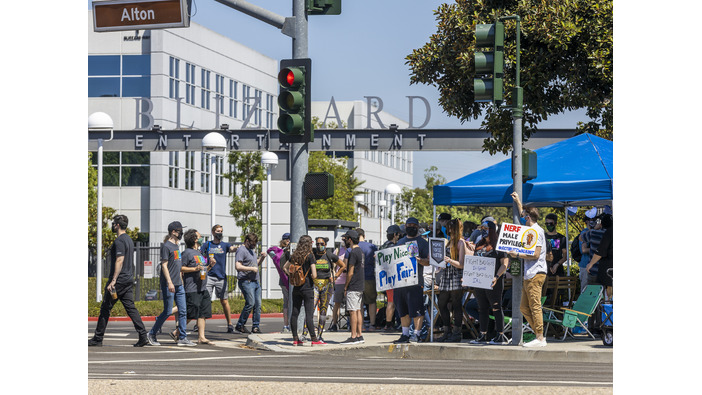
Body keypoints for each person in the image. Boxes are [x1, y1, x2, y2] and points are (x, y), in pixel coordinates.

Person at [89, 215, 149, 347]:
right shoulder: (129, 239)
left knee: (105, 308)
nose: (112, 226)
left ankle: (98, 338)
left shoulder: (119, 241)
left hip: (119, 280)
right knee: (131, 308)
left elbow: (120, 260)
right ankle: (143, 335)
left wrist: (114, 280)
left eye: (113, 223)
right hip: (127, 279)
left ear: (117, 225)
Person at [507, 192, 548, 348]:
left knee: (534, 305)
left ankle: (540, 338)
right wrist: (519, 202)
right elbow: (524, 211)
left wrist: (517, 254)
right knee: (524, 307)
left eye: (524, 216)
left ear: (528, 218)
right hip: (530, 274)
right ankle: (539, 334)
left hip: (535, 274)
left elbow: (536, 254)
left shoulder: (536, 232)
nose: (522, 217)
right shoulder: (532, 229)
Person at [147, 221, 195, 346]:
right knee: (168, 311)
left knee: (183, 311)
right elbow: (164, 265)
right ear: (173, 232)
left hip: (179, 284)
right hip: (170, 284)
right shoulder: (166, 246)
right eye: (179, 231)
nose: (181, 233)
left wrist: (181, 281)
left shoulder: (177, 246)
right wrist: (169, 282)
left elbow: (177, 266)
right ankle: (152, 333)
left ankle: (182, 338)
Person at [469, 220, 510, 345]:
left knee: (496, 307)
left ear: (492, 230)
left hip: (494, 281)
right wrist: (469, 276)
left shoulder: (499, 245)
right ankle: (483, 334)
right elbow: (474, 263)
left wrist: (496, 276)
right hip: (480, 281)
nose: (483, 230)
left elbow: (505, 264)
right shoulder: (479, 245)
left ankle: (500, 335)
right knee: (482, 308)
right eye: (482, 228)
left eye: (485, 228)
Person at [393, 217, 430, 344]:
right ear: (405, 226)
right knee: (403, 310)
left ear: (418, 227)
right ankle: (405, 334)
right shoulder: (400, 242)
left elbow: (428, 262)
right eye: (409, 225)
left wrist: (419, 260)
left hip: (415, 282)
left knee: (417, 309)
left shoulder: (422, 243)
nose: (411, 227)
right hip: (400, 281)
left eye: (414, 225)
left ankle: (417, 334)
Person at [283, 235, 325, 345]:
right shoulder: (310, 256)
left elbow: (284, 267)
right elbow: (315, 275)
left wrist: (291, 276)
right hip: (307, 288)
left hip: (296, 287)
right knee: (309, 314)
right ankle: (314, 339)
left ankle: (295, 339)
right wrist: (311, 277)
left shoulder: (294, 255)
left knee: (294, 313)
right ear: (309, 244)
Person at [201, 224, 239, 333]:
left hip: (221, 277)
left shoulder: (224, 245)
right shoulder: (207, 245)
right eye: (218, 231)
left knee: (224, 301)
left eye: (221, 231)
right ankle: (199, 323)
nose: (220, 233)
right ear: (213, 233)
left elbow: (232, 248)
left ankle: (230, 324)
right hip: (209, 276)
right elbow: (202, 257)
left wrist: (237, 248)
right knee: (206, 300)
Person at [180, 229, 214, 345]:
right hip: (192, 288)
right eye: (199, 236)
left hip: (202, 288)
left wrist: (210, 266)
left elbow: (203, 269)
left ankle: (201, 337)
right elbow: (181, 268)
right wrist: (194, 269)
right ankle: (177, 332)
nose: (201, 239)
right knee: (192, 312)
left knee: (203, 312)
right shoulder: (187, 253)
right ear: (195, 239)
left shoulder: (199, 253)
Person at [435, 219, 466, 342]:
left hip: (456, 274)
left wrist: (449, 260)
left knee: (456, 304)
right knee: (442, 303)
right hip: (446, 274)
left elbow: (462, 264)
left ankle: (457, 332)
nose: (448, 231)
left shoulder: (460, 243)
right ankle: (447, 330)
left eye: (451, 228)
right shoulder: (449, 242)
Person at [312, 236, 345, 341]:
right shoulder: (313, 255)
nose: (319, 246)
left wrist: (335, 276)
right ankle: (305, 333)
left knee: (323, 310)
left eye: (321, 244)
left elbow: (343, 265)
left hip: (327, 285)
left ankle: (320, 335)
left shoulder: (330, 255)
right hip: (315, 285)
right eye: (317, 244)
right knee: (310, 309)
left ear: (325, 245)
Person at [234, 233, 267, 334]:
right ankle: (240, 325)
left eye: (255, 244)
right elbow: (238, 266)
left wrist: (262, 258)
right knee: (250, 303)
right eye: (252, 243)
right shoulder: (241, 250)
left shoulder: (251, 251)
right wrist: (251, 269)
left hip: (255, 281)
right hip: (246, 281)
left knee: (258, 305)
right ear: (247, 241)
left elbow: (254, 263)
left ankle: (255, 327)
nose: (254, 246)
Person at [348, 228, 378, 331]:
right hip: (370, 277)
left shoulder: (352, 248)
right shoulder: (372, 247)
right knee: (372, 301)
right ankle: (372, 324)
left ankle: (360, 326)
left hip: (356, 279)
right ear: (364, 236)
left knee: (358, 303)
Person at [342, 230, 365, 344]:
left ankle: (353, 336)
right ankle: (359, 335)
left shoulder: (353, 252)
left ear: (350, 239)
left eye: (346, 238)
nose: (345, 240)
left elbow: (350, 271)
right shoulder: (360, 251)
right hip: (360, 285)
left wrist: (346, 286)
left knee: (352, 311)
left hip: (354, 285)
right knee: (358, 310)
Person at [267, 233, 291, 332]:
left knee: (286, 303)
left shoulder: (277, 254)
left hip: (283, 281)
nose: (289, 241)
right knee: (290, 303)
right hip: (288, 280)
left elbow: (270, 252)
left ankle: (286, 325)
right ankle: (288, 325)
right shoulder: (283, 253)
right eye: (288, 239)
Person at [381, 224, 402, 332]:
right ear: (395, 235)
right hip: (393, 278)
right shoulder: (393, 247)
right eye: (398, 234)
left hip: (384, 278)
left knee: (390, 301)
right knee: (392, 302)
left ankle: (388, 323)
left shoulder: (383, 246)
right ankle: (388, 325)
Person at [587, 214, 613, 300]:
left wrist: (591, 264)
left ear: (601, 224)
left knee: (595, 296)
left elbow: (601, 251)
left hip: (604, 270)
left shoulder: (596, 233)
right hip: (605, 270)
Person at [329, 240, 348, 332]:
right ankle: (334, 324)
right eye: (343, 240)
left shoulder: (352, 250)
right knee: (337, 303)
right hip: (339, 280)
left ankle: (350, 324)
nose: (344, 242)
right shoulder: (337, 251)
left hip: (350, 280)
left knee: (350, 305)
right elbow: (332, 265)